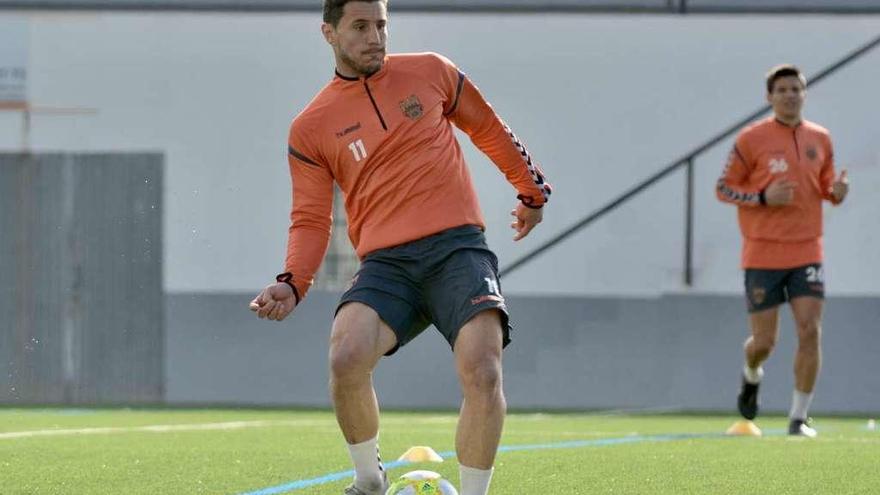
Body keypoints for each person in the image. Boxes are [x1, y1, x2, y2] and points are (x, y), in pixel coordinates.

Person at [249, 1, 552, 493]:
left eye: (382, 25)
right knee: (345, 357)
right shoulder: (310, 127)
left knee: (484, 368)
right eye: (361, 26)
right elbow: (309, 218)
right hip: (388, 266)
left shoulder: (431, 72)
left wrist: (530, 190)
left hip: (458, 251)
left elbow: (488, 129)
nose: (376, 37)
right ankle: (370, 481)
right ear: (328, 32)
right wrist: (293, 281)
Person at [716, 64, 849, 437]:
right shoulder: (750, 139)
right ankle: (751, 373)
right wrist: (762, 197)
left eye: (797, 88)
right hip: (762, 253)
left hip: (807, 249)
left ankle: (798, 418)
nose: (791, 94)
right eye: (783, 89)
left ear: (805, 94)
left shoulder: (820, 138)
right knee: (764, 343)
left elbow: (826, 184)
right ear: (769, 97)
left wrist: (836, 192)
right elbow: (723, 188)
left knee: (810, 331)